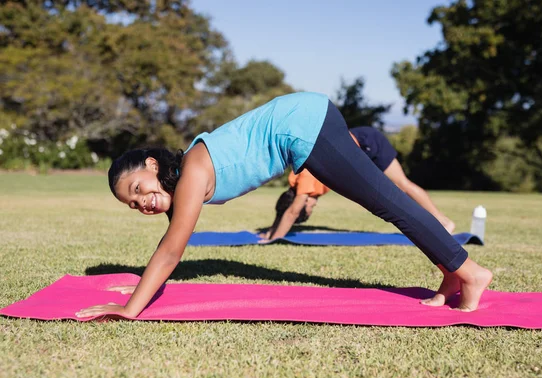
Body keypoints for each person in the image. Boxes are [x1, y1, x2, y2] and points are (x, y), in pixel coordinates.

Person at [75, 92, 493, 319]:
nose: (141, 202)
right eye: (132, 203)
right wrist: (138, 285)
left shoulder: (189, 176)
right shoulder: (183, 176)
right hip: (303, 120)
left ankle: (470, 271)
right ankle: (451, 273)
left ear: (152, 165)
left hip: (303, 127)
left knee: (389, 202)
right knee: (388, 203)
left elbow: (171, 250)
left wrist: (129, 309)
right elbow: (168, 249)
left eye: (137, 187)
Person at [262, 127, 456, 240]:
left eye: (309, 209)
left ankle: (444, 222)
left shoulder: (304, 180)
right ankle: (438, 221)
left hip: (367, 142)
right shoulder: (298, 186)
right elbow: (286, 209)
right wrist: (271, 231)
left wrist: (275, 239)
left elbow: (292, 211)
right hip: (359, 145)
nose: (312, 207)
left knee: (402, 185)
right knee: (396, 188)